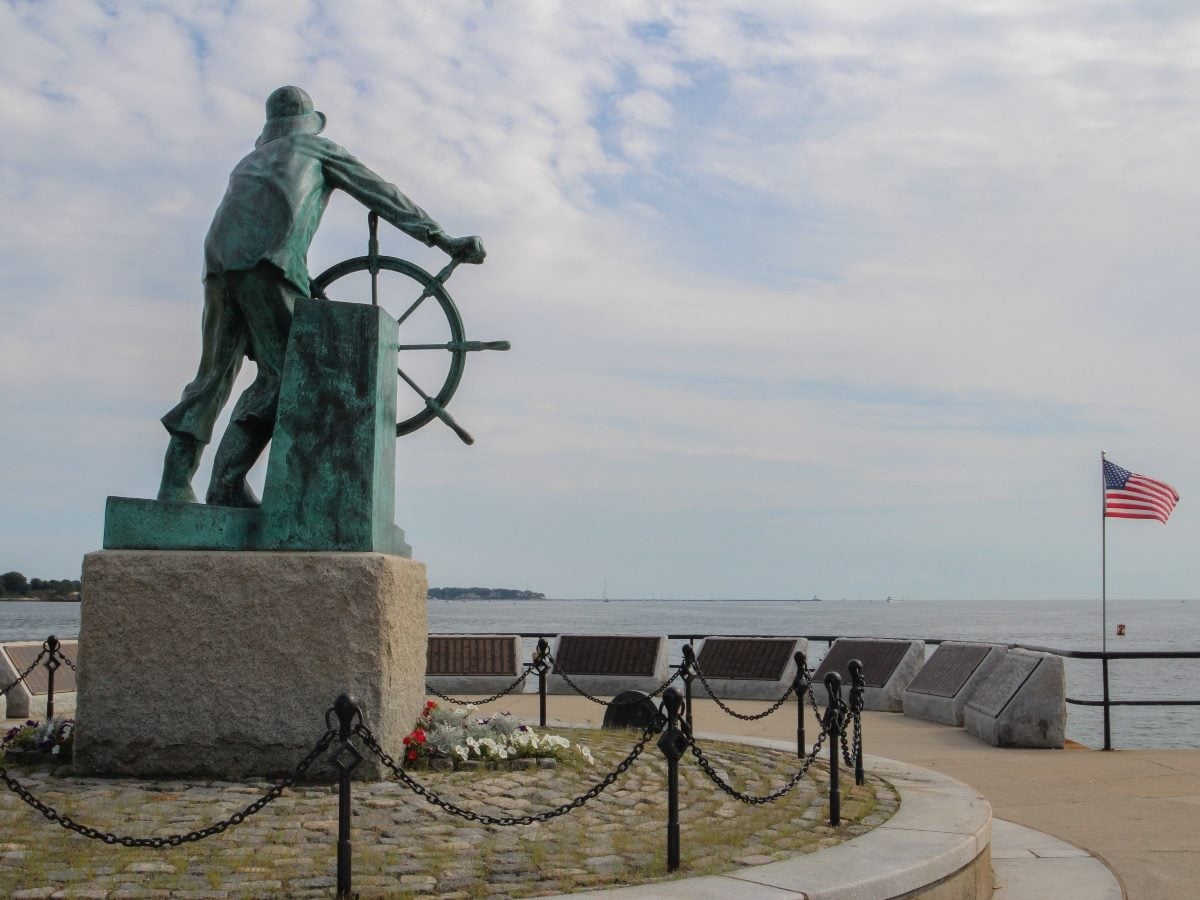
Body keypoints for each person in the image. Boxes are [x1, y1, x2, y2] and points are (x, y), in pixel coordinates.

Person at [157, 86, 485, 507]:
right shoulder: (317, 149)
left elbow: (261, 219)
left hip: (219, 265)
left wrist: (302, 282)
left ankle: (174, 481)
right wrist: (442, 239)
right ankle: (226, 486)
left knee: (212, 376)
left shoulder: (247, 162)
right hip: (267, 264)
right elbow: (382, 193)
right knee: (291, 374)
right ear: (308, 123)